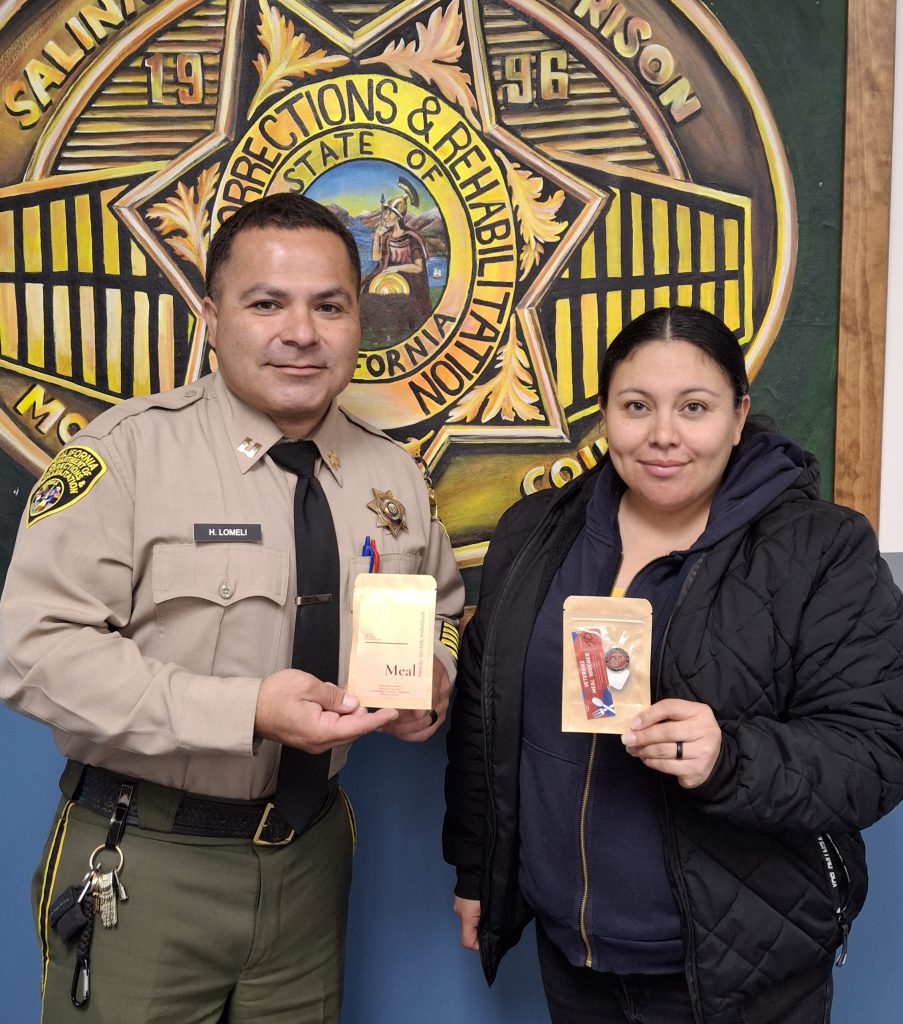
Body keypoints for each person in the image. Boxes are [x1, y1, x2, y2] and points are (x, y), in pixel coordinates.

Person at [0, 192, 464, 1022]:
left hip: (310, 860)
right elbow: (33, 651)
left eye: (329, 305)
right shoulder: (124, 455)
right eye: (266, 303)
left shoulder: (394, 477)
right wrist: (246, 708)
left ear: (361, 318)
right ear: (211, 317)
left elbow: (443, 611)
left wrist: (436, 668)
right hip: (145, 860)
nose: (301, 332)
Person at [443, 305, 903, 1024]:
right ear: (605, 415)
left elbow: (874, 754)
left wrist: (730, 754)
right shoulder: (535, 533)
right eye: (635, 406)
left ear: (737, 414)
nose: (662, 435)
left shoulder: (822, 549)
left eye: (694, 407)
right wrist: (479, 874)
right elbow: (483, 716)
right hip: (573, 960)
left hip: (739, 968)